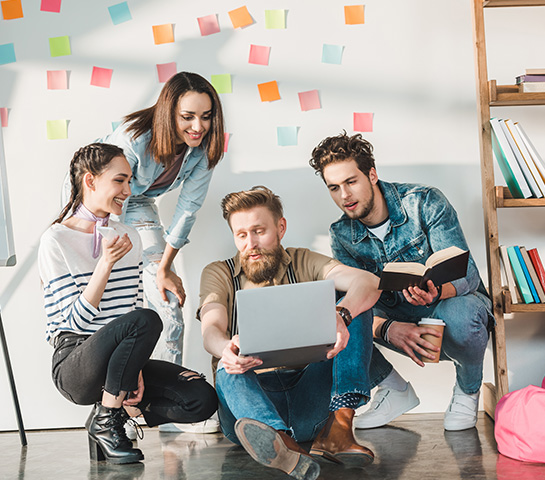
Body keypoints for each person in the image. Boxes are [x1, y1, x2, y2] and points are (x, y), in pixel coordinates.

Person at [39, 143, 217, 464]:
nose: (129, 190)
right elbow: (73, 324)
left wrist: (132, 369)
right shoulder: (56, 240)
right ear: (90, 181)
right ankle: (109, 418)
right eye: (120, 181)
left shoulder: (129, 235)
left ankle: (109, 415)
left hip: (119, 360)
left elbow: (129, 312)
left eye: (131, 181)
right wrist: (104, 265)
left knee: (201, 399)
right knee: (148, 319)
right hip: (76, 362)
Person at [309, 132, 494, 432]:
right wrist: (387, 328)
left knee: (463, 311)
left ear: (372, 175)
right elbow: (356, 302)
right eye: (334, 188)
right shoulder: (342, 234)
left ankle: (468, 388)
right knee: (329, 307)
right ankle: (392, 387)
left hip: (446, 318)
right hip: (396, 325)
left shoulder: (424, 202)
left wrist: (436, 293)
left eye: (351, 182)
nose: (344, 195)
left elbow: (468, 274)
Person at [198, 186, 381, 480]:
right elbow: (211, 329)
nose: (251, 244)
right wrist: (226, 348)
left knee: (355, 307)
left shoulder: (303, 260)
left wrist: (341, 314)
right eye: (241, 235)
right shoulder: (220, 272)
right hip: (250, 412)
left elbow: (368, 282)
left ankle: (339, 429)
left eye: (259, 231)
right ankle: (280, 444)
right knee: (225, 367)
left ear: (280, 227)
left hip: (309, 397)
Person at [95, 71, 224, 433]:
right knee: (110, 296)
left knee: (167, 299)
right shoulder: (134, 139)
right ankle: (110, 408)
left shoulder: (204, 149)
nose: (198, 126)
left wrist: (164, 266)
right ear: (170, 113)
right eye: (188, 117)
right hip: (97, 201)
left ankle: (167, 409)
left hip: (137, 204)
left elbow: (187, 208)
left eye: (207, 115)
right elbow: (104, 192)